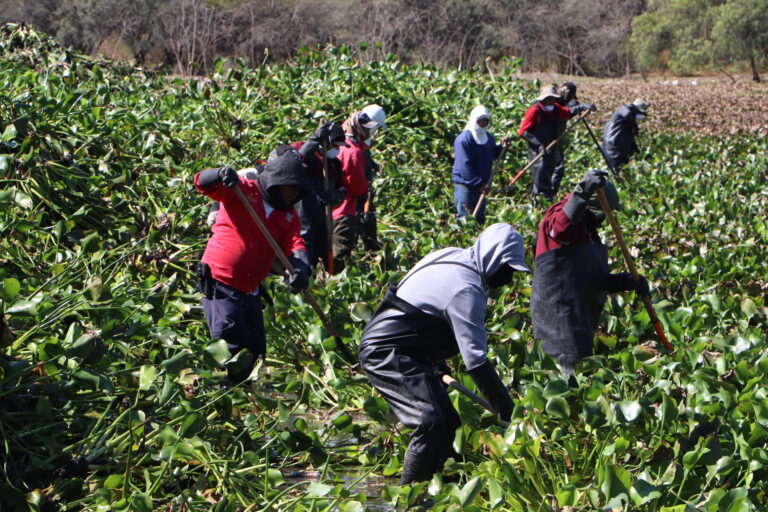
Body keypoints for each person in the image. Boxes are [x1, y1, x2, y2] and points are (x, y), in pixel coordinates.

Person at [359, 223, 530, 484]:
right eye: (506, 269)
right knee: (431, 421)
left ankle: (445, 489)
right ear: (493, 259)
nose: (507, 278)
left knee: (449, 420)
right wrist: (507, 412)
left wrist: (436, 364)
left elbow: (427, 311)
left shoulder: (453, 255)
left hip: (410, 352)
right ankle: (408, 498)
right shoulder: (466, 289)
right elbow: (475, 361)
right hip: (387, 352)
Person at [195, 149, 313, 380]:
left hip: (250, 288)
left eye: (298, 191)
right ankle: (225, 397)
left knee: (256, 350)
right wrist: (219, 174)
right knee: (230, 344)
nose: (293, 195)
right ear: (278, 181)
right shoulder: (241, 190)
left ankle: (248, 397)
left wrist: (301, 267)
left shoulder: (289, 216)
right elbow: (200, 182)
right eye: (291, 188)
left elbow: (295, 243)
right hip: (220, 281)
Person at [530, 170, 650, 377]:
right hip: (559, 320)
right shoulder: (559, 215)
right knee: (568, 380)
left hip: (581, 319)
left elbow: (596, 282)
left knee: (583, 374)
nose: (604, 217)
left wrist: (628, 281)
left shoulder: (590, 231)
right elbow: (561, 230)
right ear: (592, 206)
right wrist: (582, 192)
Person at [518, 84, 595, 203]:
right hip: (538, 151)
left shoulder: (555, 108)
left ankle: (548, 200)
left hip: (551, 147)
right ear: (543, 99)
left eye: (552, 99)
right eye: (548, 99)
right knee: (540, 177)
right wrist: (539, 145)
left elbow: (568, 112)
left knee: (549, 174)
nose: (550, 101)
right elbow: (523, 132)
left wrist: (583, 107)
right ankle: (538, 203)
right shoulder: (535, 111)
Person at [331, 109, 383, 273]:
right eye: (368, 129)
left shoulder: (341, 142)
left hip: (333, 205)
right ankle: (335, 280)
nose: (370, 132)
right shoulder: (352, 151)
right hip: (345, 208)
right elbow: (357, 186)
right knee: (341, 250)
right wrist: (365, 187)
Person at [293, 122, 349, 270]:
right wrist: (314, 141)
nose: (337, 149)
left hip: (323, 219)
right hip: (303, 216)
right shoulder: (305, 153)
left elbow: (343, 189)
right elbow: (296, 162)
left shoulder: (334, 165)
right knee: (304, 251)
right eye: (334, 145)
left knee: (322, 252)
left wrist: (335, 196)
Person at [452, 106, 511, 225]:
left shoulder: (488, 138)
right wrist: (479, 184)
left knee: (479, 218)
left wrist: (502, 148)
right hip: (466, 186)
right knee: (465, 218)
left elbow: (492, 154)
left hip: (482, 186)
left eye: (485, 121)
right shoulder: (464, 139)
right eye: (480, 121)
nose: (483, 124)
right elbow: (465, 166)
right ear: (474, 120)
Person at [357, 104, 387, 251]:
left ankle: (371, 244)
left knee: (369, 215)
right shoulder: (355, 138)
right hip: (356, 189)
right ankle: (368, 245)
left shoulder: (364, 136)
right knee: (361, 217)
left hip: (364, 186)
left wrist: (372, 164)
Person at [602, 99, 649, 174]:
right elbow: (627, 114)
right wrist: (635, 126)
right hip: (613, 148)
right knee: (616, 172)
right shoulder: (624, 109)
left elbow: (631, 143)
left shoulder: (627, 125)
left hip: (621, 150)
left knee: (624, 172)